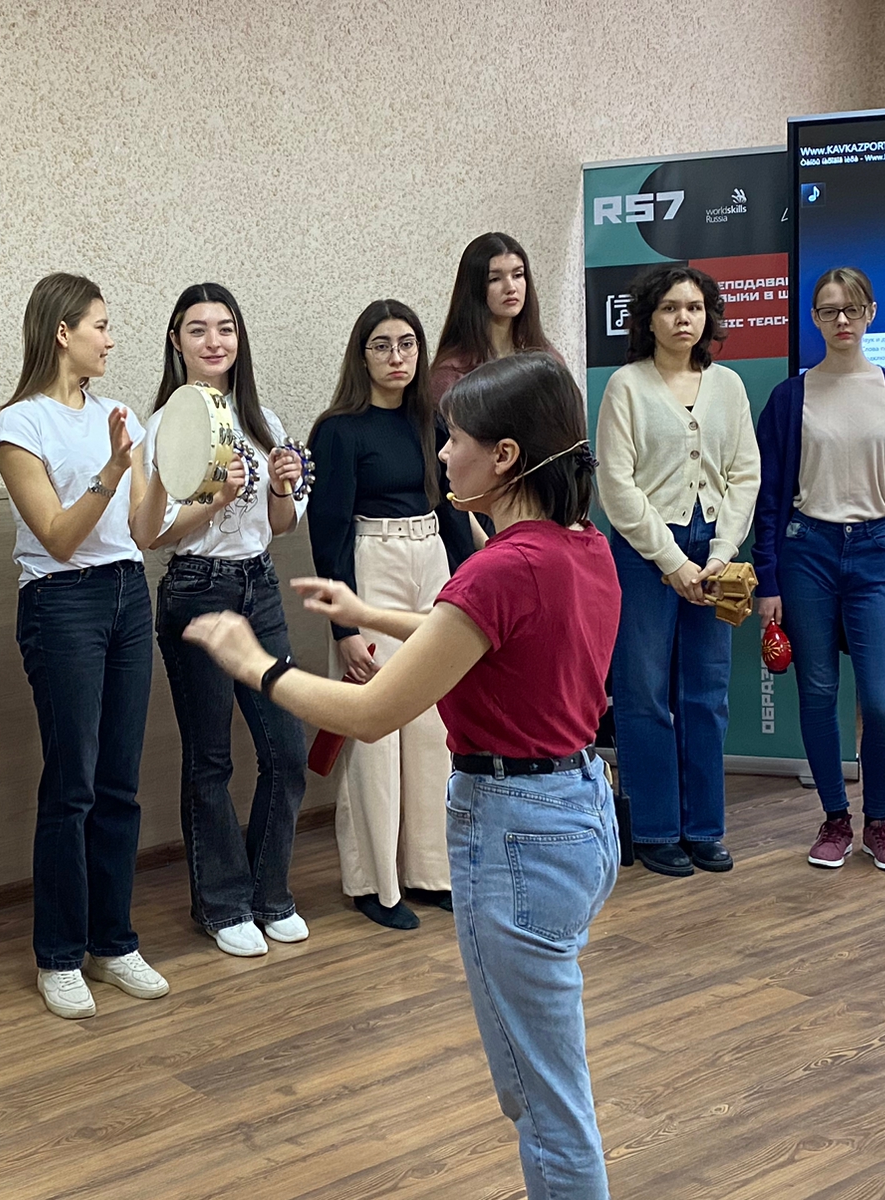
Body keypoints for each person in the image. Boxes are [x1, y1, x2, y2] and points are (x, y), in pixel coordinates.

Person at [185, 352, 621, 1199]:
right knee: (545, 1086)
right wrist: (367, 611)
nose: (441, 454)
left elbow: (371, 712)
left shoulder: (501, 567)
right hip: (577, 817)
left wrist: (256, 664)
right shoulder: (579, 546)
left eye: (453, 439)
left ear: (504, 457)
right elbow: (472, 631)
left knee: (546, 1105)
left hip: (520, 836)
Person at [0, 272, 172, 1018]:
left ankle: (113, 942)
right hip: (61, 602)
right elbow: (59, 539)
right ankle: (59, 956)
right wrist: (113, 468)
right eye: (100, 325)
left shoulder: (119, 416)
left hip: (128, 591)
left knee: (120, 782)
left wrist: (167, 477)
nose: (111, 339)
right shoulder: (18, 425)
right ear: (62, 332)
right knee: (74, 785)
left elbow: (142, 533)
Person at [145, 283, 311, 957]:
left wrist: (280, 487)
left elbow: (281, 523)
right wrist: (217, 498)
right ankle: (222, 904)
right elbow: (154, 534)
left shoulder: (261, 417)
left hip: (259, 586)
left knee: (286, 751)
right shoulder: (164, 423)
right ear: (176, 342)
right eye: (198, 329)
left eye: (226, 329)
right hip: (197, 587)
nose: (214, 341)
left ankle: (270, 894)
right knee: (210, 759)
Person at [754, 267, 885, 872]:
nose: (842, 320)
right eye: (829, 310)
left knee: (883, 703)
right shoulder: (790, 398)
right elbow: (769, 499)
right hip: (807, 551)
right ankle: (835, 818)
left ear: (871, 313)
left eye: (852, 308)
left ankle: (879, 822)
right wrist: (768, 579)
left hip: (880, 553)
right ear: (814, 318)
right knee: (818, 692)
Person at [306, 299, 475, 929]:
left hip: (432, 564)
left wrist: (474, 590)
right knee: (373, 729)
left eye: (407, 344)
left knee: (433, 725)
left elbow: (453, 511)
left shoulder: (434, 420)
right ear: (362, 355)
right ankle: (375, 885)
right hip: (370, 567)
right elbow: (328, 536)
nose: (397, 357)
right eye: (382, 345)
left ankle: (430, 872)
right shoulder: (338, 429)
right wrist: (344, 629)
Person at [596, 265, 760, 876]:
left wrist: (719, 554)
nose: (683, 318)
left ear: (708, 316)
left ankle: (704, 829)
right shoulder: (625, 386)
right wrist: (672, 561)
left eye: (693, 307)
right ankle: (656, 828)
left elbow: (744, 473)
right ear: (648, 318)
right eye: (669, 308)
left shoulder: (730, 387)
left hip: (713, 549)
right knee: (643, 693)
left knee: (706, 694)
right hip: (645, 553)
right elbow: (617, 486)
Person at [428, 231, 557, 405]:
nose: (510, 287)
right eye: (495, 279)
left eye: (518, 275)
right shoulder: (451, 374)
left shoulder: (547, 359)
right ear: (474, 288)